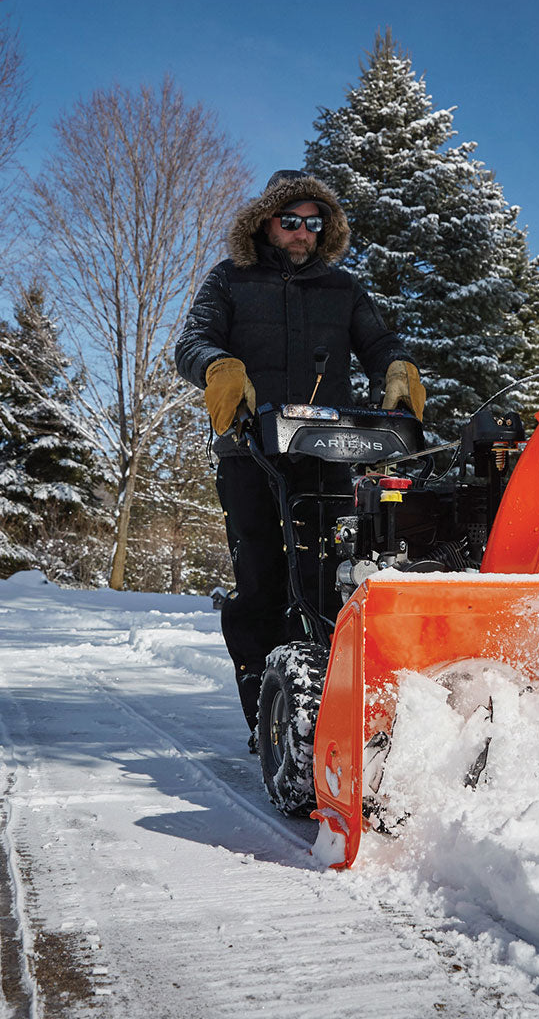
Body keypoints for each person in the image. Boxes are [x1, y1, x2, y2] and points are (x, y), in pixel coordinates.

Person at [175, 169, 424, 740]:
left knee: (329, 578)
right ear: (267, 221)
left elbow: (380, 342)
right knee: (262, 580)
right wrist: (218, 365)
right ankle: (270, 722)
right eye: (291, 221)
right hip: (248, 451)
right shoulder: (230, 280)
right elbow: (191, 342)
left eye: (314, 223)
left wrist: (397, 366)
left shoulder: (343, 289)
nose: (302, 232)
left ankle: (337, 711)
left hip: (326, 450)